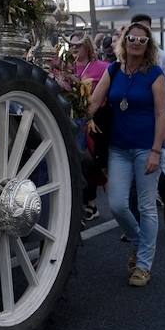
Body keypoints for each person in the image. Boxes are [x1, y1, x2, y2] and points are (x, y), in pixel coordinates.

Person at [87, 20, 165, 287]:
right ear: (125, 42)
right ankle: (139, 242)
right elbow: (94, 102)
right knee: (117, 205)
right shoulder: (113, 70)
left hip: (147, 147)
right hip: (119, 148)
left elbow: (161, 114)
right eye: (132, 39)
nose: (136, 43)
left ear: (148, 45)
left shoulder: (155, 74)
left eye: (141, 40)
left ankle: (143, 265)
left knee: (146, 206)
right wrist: (74, 118)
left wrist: (157, 151)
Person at [129, 14, 165, 214]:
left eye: (145, 33)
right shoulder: (124, 56)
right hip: (133, 121)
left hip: (156, 120)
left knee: (151, 166)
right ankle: (160, 202)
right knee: (139, 168)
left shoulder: (163, 58)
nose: (139, 38)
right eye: (135, 34)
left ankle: (159, 205)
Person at [69, 33, 109, 224]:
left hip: (95, 121)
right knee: (75, 163)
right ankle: (81, 204)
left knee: (92, 163)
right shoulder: (66, 67)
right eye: (72, 45)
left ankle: (92, 203)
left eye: (78, 45)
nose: (74, 49)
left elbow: (109, 92)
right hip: (71, 120)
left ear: (87, 47)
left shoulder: (102, 67)